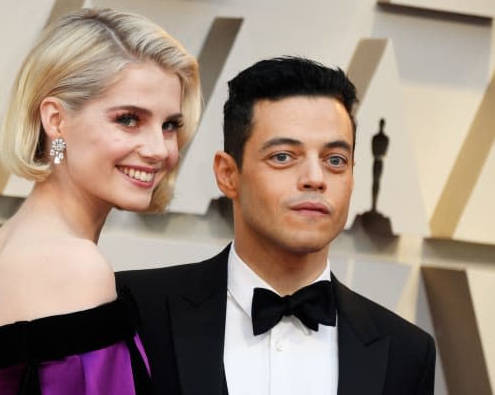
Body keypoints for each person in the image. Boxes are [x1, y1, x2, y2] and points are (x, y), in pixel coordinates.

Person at [117, 56, 436, 395]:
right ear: (228, 175)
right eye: (283, 157)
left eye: (335, 161)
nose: (315, 178)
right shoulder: (135, 310)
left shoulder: (407, 353)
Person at [0, 8, 201, 395]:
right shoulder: (74, 266)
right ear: (56, 120)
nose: (159, 149)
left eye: (170, 125)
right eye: (128, 119)